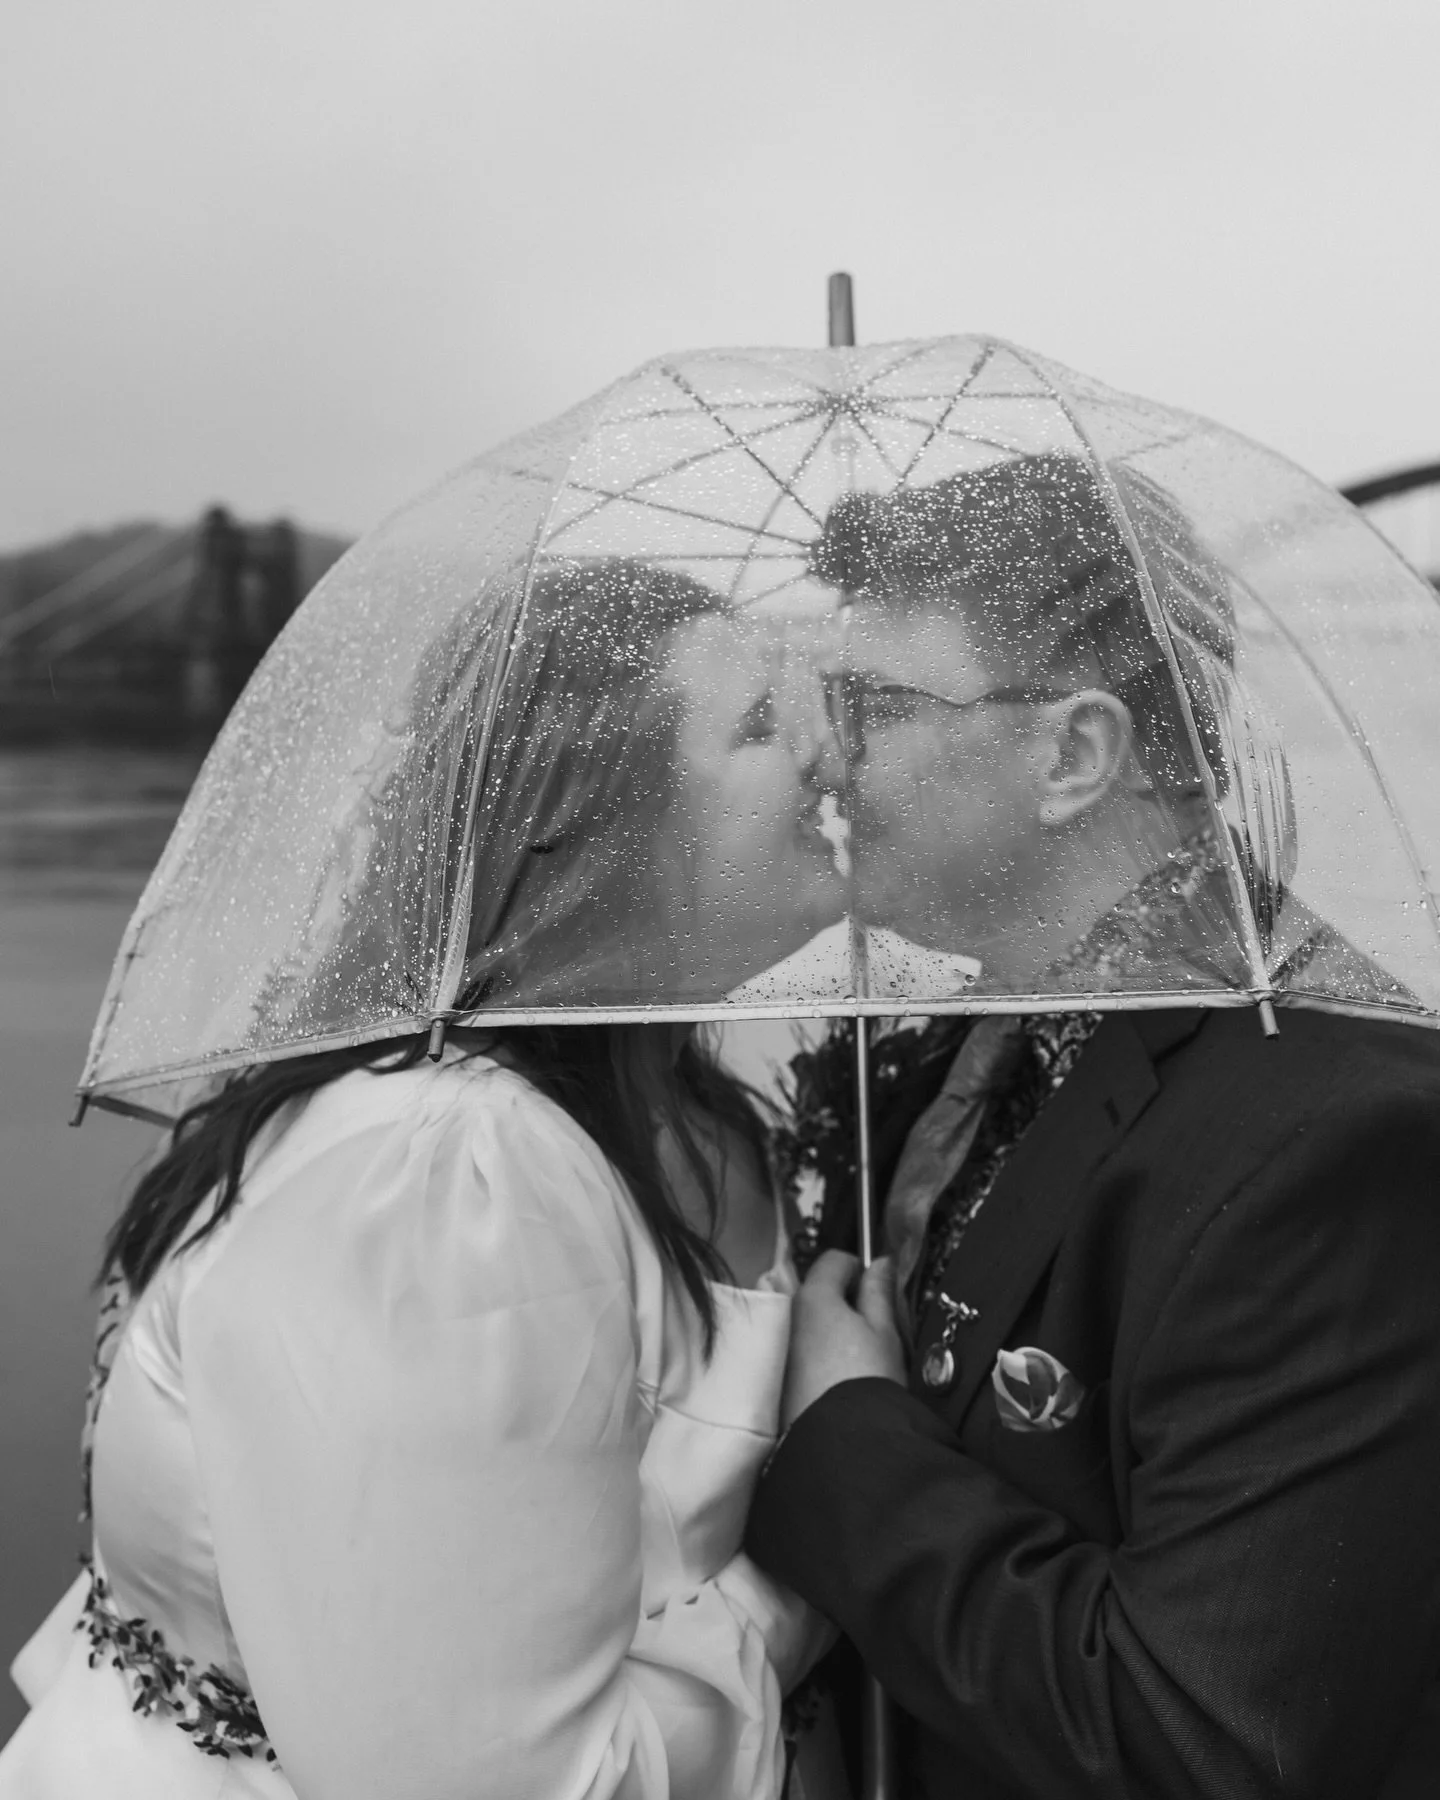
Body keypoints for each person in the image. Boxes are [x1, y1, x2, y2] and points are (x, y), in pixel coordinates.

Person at [1, 556, 841, 1799]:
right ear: (600, 835)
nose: (829, 759)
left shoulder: (695, 1109)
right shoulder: (442, 1178)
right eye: (762, 728)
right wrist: (829, 1559)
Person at [745, 453, 1440, 1798]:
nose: (825, 759)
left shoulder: (1339, 1143)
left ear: (1074, 753)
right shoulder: (984, 1043)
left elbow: (1208, 1742)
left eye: (871, 704)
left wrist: (847, 1435)